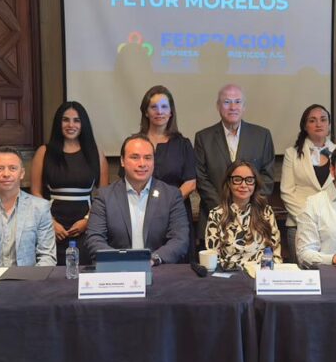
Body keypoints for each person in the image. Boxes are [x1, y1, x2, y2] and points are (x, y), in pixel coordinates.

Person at [86, 134, 189, 264]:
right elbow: (94, 239)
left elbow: (180, 239)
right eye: (135, 157)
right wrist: (122, 261)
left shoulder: (171, 195)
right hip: (118, 270)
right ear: (122, 161)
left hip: (158, 270)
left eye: (148, 158)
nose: (142, 164)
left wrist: (152, 260)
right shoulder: (104, 197)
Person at [194, 84, 275, 242]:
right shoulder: (203, 138)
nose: (232, 107)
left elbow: (267, 177)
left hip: (253, 221)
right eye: (227, 102)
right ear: (218, 106)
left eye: (237, 102)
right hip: (214, 220)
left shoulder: (262, 136)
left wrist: (246, 209)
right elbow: (201, 179)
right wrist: (224, 209)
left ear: (244, 106)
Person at [31, 101, 108, 265]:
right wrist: (49, 222)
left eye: (76, 120)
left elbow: (104, 194)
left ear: (83, 124)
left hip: (86, 225)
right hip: (52, 225)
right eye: (65, 120)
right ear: (58, 123)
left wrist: (88, 221)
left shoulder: (96, 152)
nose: (71, 125)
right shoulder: (44, 152)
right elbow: (35, 192)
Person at [138, 85, 197, 260]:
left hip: (176, 212)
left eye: (164, 107)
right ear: (146, 112)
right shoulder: (135, 143)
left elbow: (190, 182)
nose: (159, 111)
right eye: (153, 107)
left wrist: (167, 205)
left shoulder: (183, 144)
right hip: (141, 212)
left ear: (171, 112)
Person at [280, 104, 336, 263]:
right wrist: (308, 220)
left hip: (332, 226)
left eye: (323, 120)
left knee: (331, 273)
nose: (318, 124)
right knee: (302, 274)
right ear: (305, 126)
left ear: (329, 125)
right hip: (299, 225)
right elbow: (286, 191)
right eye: (312, 120)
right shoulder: (291, 154)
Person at [205, 161, 283, 271]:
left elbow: (275, 253)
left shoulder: (266, 212)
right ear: (229, 183)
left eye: (249, 180)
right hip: (229, 275)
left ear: (255, 184)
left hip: (261, 275)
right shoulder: (216, 214)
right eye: (237, 180)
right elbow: (212, 257)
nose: (243, 185)